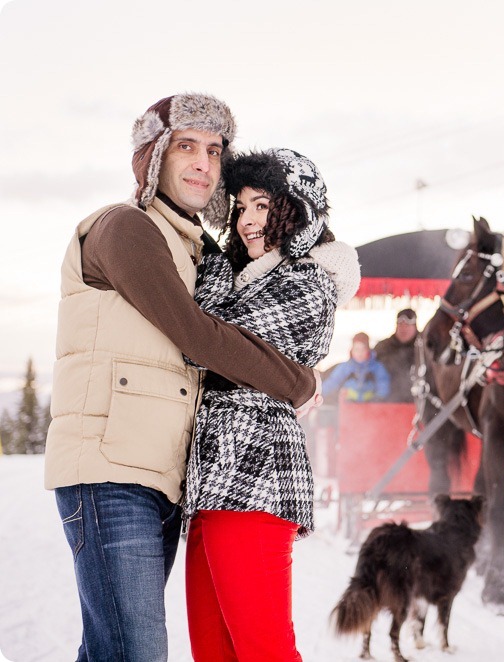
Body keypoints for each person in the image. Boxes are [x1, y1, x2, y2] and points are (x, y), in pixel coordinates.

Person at [44, 93, 321, 662]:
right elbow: (197, 335)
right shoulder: (125, 228)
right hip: (109, 472)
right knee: (135, 652)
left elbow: (279, 271)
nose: (204, 162)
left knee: (113, 649)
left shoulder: (196, 251)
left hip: (164, 478)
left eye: (215, 150)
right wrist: (299, 383)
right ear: (153, 157)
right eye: (186, 146)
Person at [183, 147, 360, 660]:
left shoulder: (310, 284)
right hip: (211, 485)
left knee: (264, 651)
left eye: (261, 205)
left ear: (297, 208)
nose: (247, 221)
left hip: (255, 478)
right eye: (239, 208)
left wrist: (211, 260)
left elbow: (210, 340)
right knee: (213, 652)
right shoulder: (250, 277)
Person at [323, 332, 391, 402]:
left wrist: (379, 396)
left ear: (368, 350)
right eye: (356, 349)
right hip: (348, 405)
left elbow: (383, 383)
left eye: (363, 349)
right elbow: (333, 381)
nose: (360, 353)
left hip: (370, 405)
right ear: (352, 350)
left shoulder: (377, 367)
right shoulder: (345, 367)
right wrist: (321, 393)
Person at [373, 307, 419, 402]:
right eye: (400, 325)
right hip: (386, 401)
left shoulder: (424, 348)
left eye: (407, 325)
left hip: (417, 402)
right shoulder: (383, 347)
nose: (403, 329)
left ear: (415, 327)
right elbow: (367, 365)